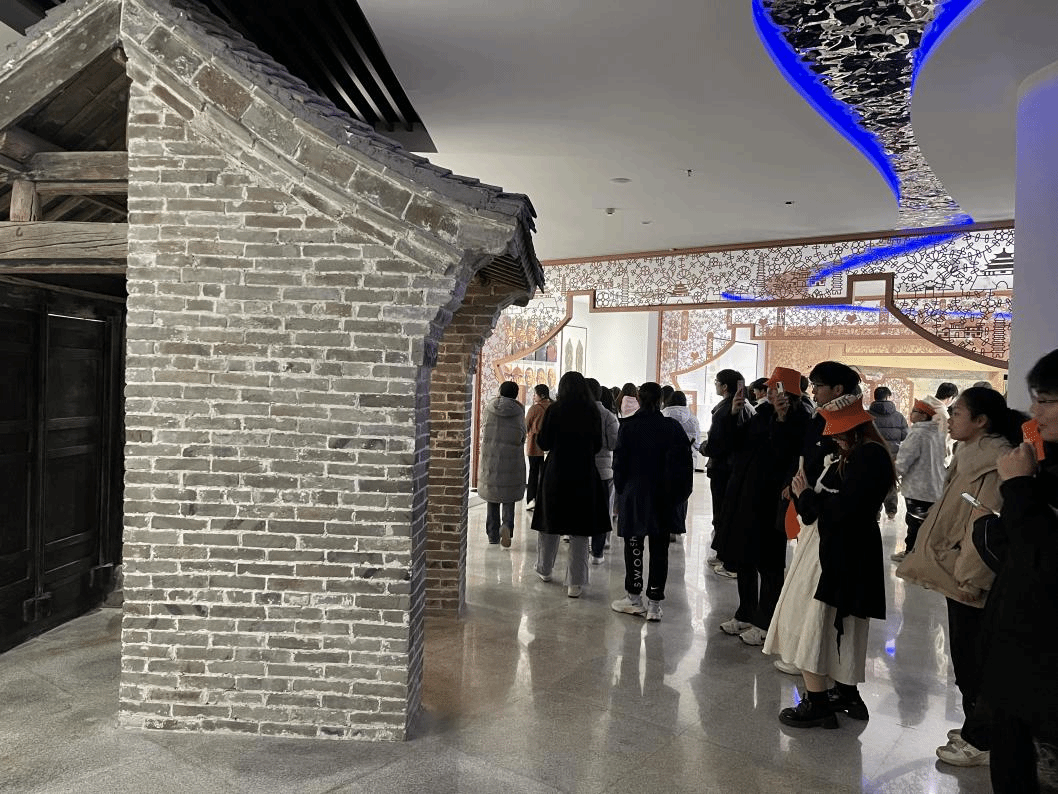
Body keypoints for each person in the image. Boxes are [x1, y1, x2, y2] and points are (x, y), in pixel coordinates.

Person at [896, 387, 1024, 766]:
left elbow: (983, 528)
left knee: (974, 663)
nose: (949, 419)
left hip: (972, 580)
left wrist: (970, 580)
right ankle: (974, 726)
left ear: (981, 421)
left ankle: (981, 740)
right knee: (965, 658)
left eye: (957, 414)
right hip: (958, 572)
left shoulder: (995, 463)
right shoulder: (970, 454)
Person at [769, 395, 893, 728]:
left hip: (835, 551)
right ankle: (845, 693)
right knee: (840, 625)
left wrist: (806, 495)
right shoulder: (863, 454)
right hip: (844, 549)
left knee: (811, 621)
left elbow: (843, 511)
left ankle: (818, 702)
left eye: (839, 431)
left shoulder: (867, 457)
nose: (834, 437)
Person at [975, 349, 1058, 792]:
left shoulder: (1029, 473)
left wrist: (1021, 488)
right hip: (1016, 640)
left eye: (1045, 400)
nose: (1034, 413)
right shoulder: (1039, 459)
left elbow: (1043, 559)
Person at [714, 367, 809, 646]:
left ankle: (765, 621)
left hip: (771, 499)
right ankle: (745, 612)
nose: (768, 392)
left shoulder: (801, 418)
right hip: (745, 494)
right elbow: (732, 444)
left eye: (774, 387)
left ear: (787, 391)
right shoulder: (762, 412)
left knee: (769, 563)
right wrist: (733, 414)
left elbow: (787, 455)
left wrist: (782, 419)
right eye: (768, 388)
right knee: (744, 556)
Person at [611, 382, 693, 621]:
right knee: (660, 550)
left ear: (638, 398)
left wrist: (622, 492)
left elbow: (619, 464)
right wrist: (679, 496)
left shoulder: (628, 427)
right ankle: (655, 603)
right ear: (661, 400)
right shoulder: (672, 428)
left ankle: (634, 598)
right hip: (664, 497)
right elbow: (685, 464)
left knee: (634, 545)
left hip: (636, 495)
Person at [531, 371, 611, 597]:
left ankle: (545, 569)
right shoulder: (592, 411)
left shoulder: (555, 409)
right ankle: (575, 583)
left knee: (549, 523)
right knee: (579, 528)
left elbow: (544, 442)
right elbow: (597, 445)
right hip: (584, 472)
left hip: (556, 471)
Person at [702, 369, 749, 579]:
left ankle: (727, 556)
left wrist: (705, 448)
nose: (715, 385)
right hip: (729, 467)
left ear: (724, 387)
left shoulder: (728, 409)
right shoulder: (739, 406)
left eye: (716, 382)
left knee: (722, 512)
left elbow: (720, 441)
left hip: (723, 467)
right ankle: (722, 553)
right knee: (723, 511)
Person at [890, 397, 947, 562]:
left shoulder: (917, 433)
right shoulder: (938, 432)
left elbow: (904, 460)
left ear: (924, 415)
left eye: (915, 411)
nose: (911, 414)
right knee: (927, 523)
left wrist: (892, 476)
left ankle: (911, 554)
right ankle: (924, 554)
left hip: (918, 488)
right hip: (935, 486)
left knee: (914, 522)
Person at [477, 381, 527, 547]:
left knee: (492, 497)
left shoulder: (489, 408)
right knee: (508, 496)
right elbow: (522, 435)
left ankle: (492, 535)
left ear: (500, 391)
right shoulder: (518, 411)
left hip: (491, 458)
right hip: (511, 460)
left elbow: (484, 429)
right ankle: (506, 526)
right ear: (515, 394)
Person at [586, 377, 619, 564]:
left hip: (582, 470)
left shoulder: (579, 414)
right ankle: (598, 552)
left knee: (583, 508)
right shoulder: (608, 416)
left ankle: (582, 546)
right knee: (602, 510)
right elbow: (614, 444)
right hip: (603, 471)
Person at [868, 386, 908, 519]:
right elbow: (905, 436)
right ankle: (891, 511)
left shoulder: (867, 416)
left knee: (873, 483)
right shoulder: (899, 417)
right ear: (888, 397)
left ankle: (875, 512)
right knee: (890, 482)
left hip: (871, 455)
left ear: (875, 397)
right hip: (892, 456)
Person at [524, 384, 553, 510]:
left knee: (533, 473)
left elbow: (525, 425)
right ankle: (544, 500)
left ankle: (532, 500)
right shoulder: (553, 407)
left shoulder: (534, 408)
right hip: (550, 446)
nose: (533, 396)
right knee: (546, 474)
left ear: (541, 395)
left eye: (535, 394)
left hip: (534, 446)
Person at [663, 390, 702, 476]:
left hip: (666, 459)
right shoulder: (693, 419)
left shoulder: (662, 416)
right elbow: (696, 442)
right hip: (687, 458)